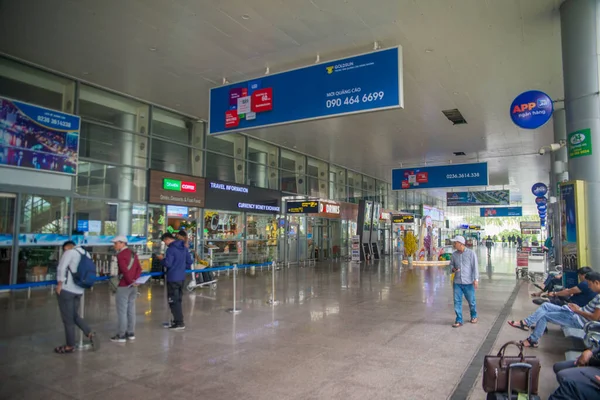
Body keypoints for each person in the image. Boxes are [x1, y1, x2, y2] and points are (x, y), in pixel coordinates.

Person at [507, 271, 600, 347]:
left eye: (590, 284)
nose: (589, 287)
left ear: (596, 283)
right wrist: (577, 308)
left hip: (577, 319)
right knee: (546, 305)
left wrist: (577, 310)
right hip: (575, 313)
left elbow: (595, 317)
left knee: (544, 316)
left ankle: (532, 340)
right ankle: (526, 323)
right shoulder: (598, 295)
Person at [54, 241, 98, 354]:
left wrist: (60, 284)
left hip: (67, 290)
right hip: (79, 290)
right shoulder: (86, 254)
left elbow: (61, 268)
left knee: (68, 319)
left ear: (68, 247)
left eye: (64, 249)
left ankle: (70, 346)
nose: (64, 251)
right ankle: (89, 332)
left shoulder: (69, 253)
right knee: (73, 315)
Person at [157, 232, 193, 330]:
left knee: (173, 301)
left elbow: (168, 263)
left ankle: (179, 323)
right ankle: (178, 320)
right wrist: (180, 268)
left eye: (165, 241)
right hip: (181, 277)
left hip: (173, 278)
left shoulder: (171, 250)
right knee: (178, 300)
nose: (165, 243)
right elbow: (189, 262)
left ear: (167, 239)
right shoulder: (184, 247)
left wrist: (161, 259)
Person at [110, 236, 142, 343]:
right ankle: (131, 333)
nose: (114, 245)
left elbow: (124, 270)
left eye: (116, 243)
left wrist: (129, 281)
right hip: (134, 286)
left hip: (124, 285)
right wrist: (135, 281)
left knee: (122, 311)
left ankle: (121, 335)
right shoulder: (133, 253)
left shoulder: (121, 255)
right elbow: (139, 269)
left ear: (122, 243)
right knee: (131, 310)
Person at [449, 235, 479, 328]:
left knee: (471, 301)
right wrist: (453, 269)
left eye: (455, 243)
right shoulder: (454, 255)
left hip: (468, 282)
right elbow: (450, 266)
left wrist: (476, 279)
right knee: (457, 301)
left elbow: (475, 267)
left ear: (460, 243)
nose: (454, 244)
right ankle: (459, 320)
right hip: (457, 282)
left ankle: (474, 316)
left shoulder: (471, 253)